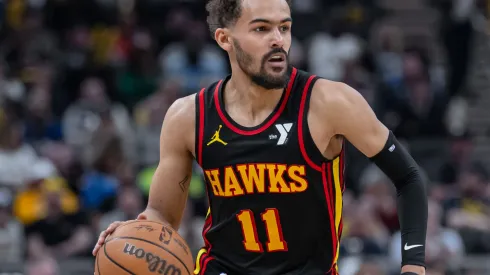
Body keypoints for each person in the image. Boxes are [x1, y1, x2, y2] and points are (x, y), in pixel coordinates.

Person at [93, 0, 428, 274]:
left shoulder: (329, 102)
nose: (278, 40)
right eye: (262, 29)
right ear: (225, 39)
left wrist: (413, 265)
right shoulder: (189, 116)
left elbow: (408, 177)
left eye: (284, 27)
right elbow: (162, 216)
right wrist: (130, 235)